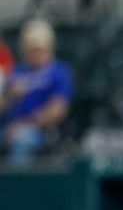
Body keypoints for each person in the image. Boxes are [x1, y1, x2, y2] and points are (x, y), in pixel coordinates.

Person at [0, 19, 73, 165]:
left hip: (41, 132)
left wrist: (25, 125)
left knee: (22, 142)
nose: (37, 54)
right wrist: (9, 96)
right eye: (32, 49)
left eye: (40, 49)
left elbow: (57, 110)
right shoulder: (15, 72)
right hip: (8, 129)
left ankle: (18, 187)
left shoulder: (59, 72)